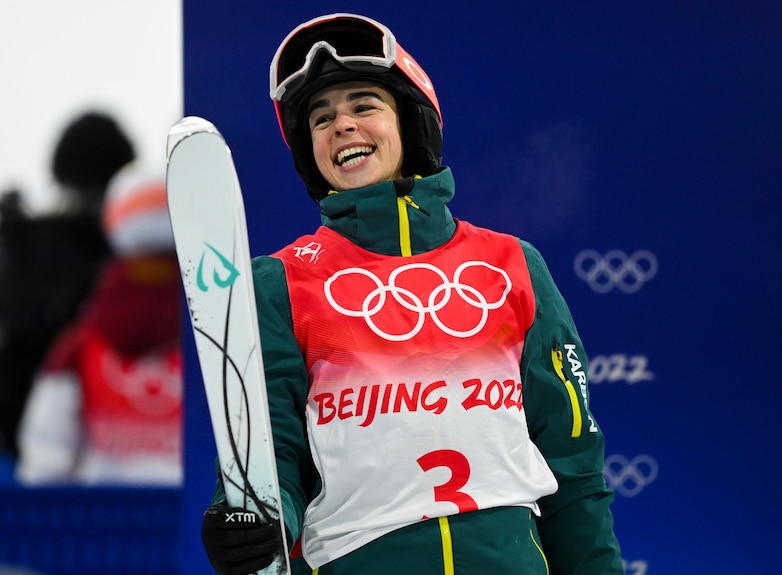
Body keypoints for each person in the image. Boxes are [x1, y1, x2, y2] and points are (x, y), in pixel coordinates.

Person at [200, 13, 624, 575]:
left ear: (412, 122)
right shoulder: (279, 283)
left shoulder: (512, 265)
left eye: (364, 105)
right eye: (321, 119)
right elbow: (271, 450)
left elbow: (573, 469)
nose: (342, 125)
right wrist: (248, 518)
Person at [0, 111, 134, 454]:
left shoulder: (16, 248)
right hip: (112, 454)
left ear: (57, 170)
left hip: (16, 456)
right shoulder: (129, 259)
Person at [15, 163, 183, 485]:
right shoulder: (222, 330)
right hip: (197, 526)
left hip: (105, 526)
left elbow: (44, 465)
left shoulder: (80, 342)